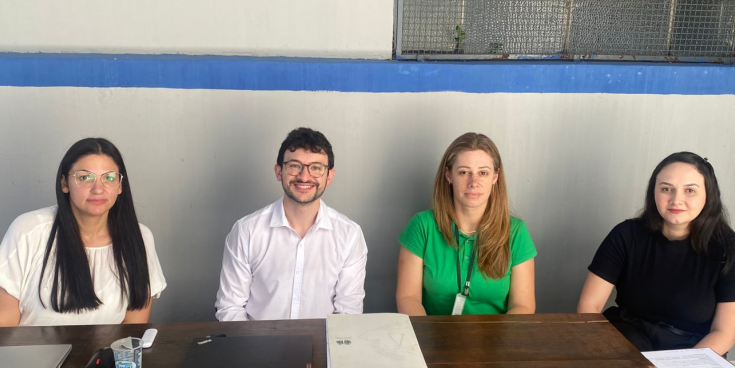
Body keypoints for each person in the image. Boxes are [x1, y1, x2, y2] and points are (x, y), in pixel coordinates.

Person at [577, 152, 735, 354]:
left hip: (693, 354)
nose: (676, 200)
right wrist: (599, 349)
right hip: (626, 341)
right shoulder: (627, 234)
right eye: (666, 189)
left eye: (690, 190)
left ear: (708, 195)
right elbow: (589, 306)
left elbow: (723, 334)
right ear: (653, 193)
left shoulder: (730, 251)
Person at [0, 138, 166, 326]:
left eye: (109, 178)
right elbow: (1, 329)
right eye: (84, 177)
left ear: (120, 186)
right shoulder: (28, 230)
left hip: (105, 355)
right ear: (64, 183)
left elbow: (132, 329)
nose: (98, 189)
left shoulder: (139, 238)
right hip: (30, 354)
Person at [215, 127, 367, 321]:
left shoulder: (349, 234)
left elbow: (349, 312)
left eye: (316, 168)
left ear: (329, 176)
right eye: (294, 166)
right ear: (279, 171)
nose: (304, 177)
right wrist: (253, 349)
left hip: (324, 345)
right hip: (258, 346)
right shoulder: (247, 231)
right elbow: (230, 307)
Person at [396, 133, 537, 316]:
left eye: (483, 173)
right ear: (448, 175)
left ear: (495, 177)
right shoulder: (422, 226)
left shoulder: (516, 231)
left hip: (497, 341)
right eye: (464, 172)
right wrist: (428, 341)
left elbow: (523, 306)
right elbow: (408, 298)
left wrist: (499, 344)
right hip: (432, 339)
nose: (474, 183)